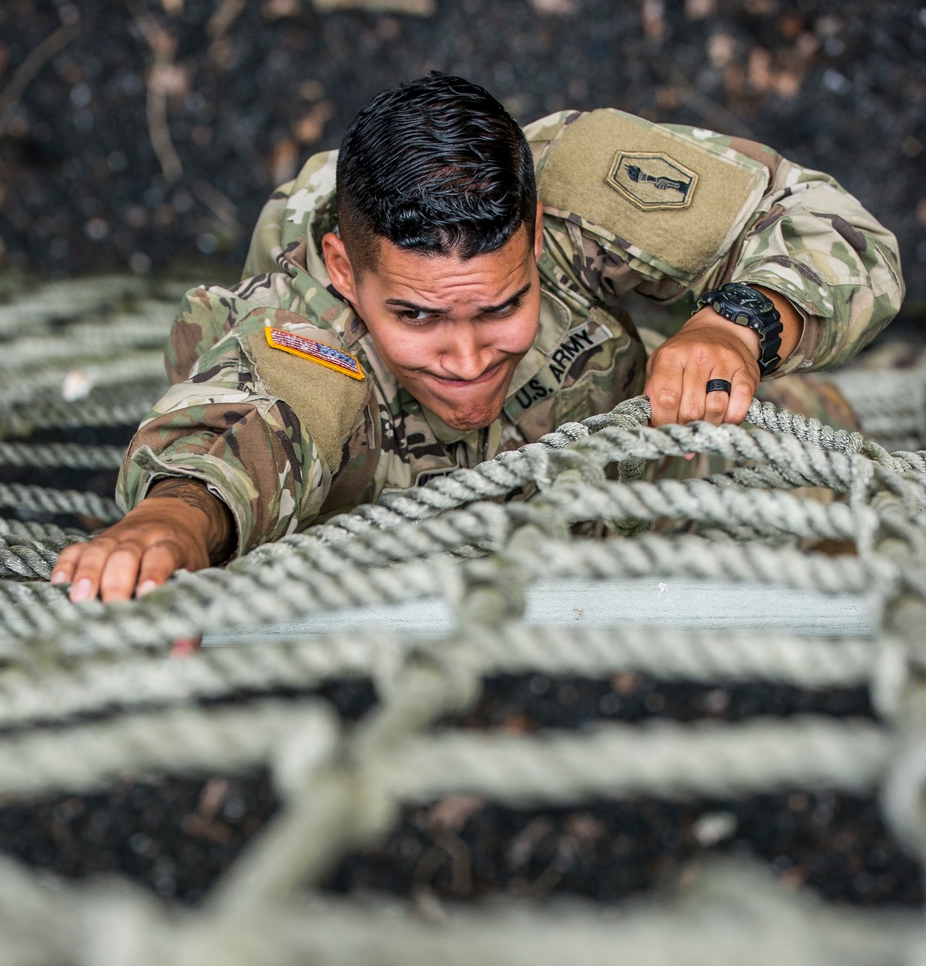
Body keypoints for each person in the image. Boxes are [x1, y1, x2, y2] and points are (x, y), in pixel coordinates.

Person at [51, 74, 903, 603]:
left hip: (625, 482)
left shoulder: (577, 183)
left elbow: (830, 227)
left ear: (534, 234)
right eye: (416, 316)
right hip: (391, 576)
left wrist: (738, 322)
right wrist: (172, 521)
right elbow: (251, 419)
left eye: (499, 308)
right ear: (348, 272)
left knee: (818, 454)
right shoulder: (307, 310)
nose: (465, 361)